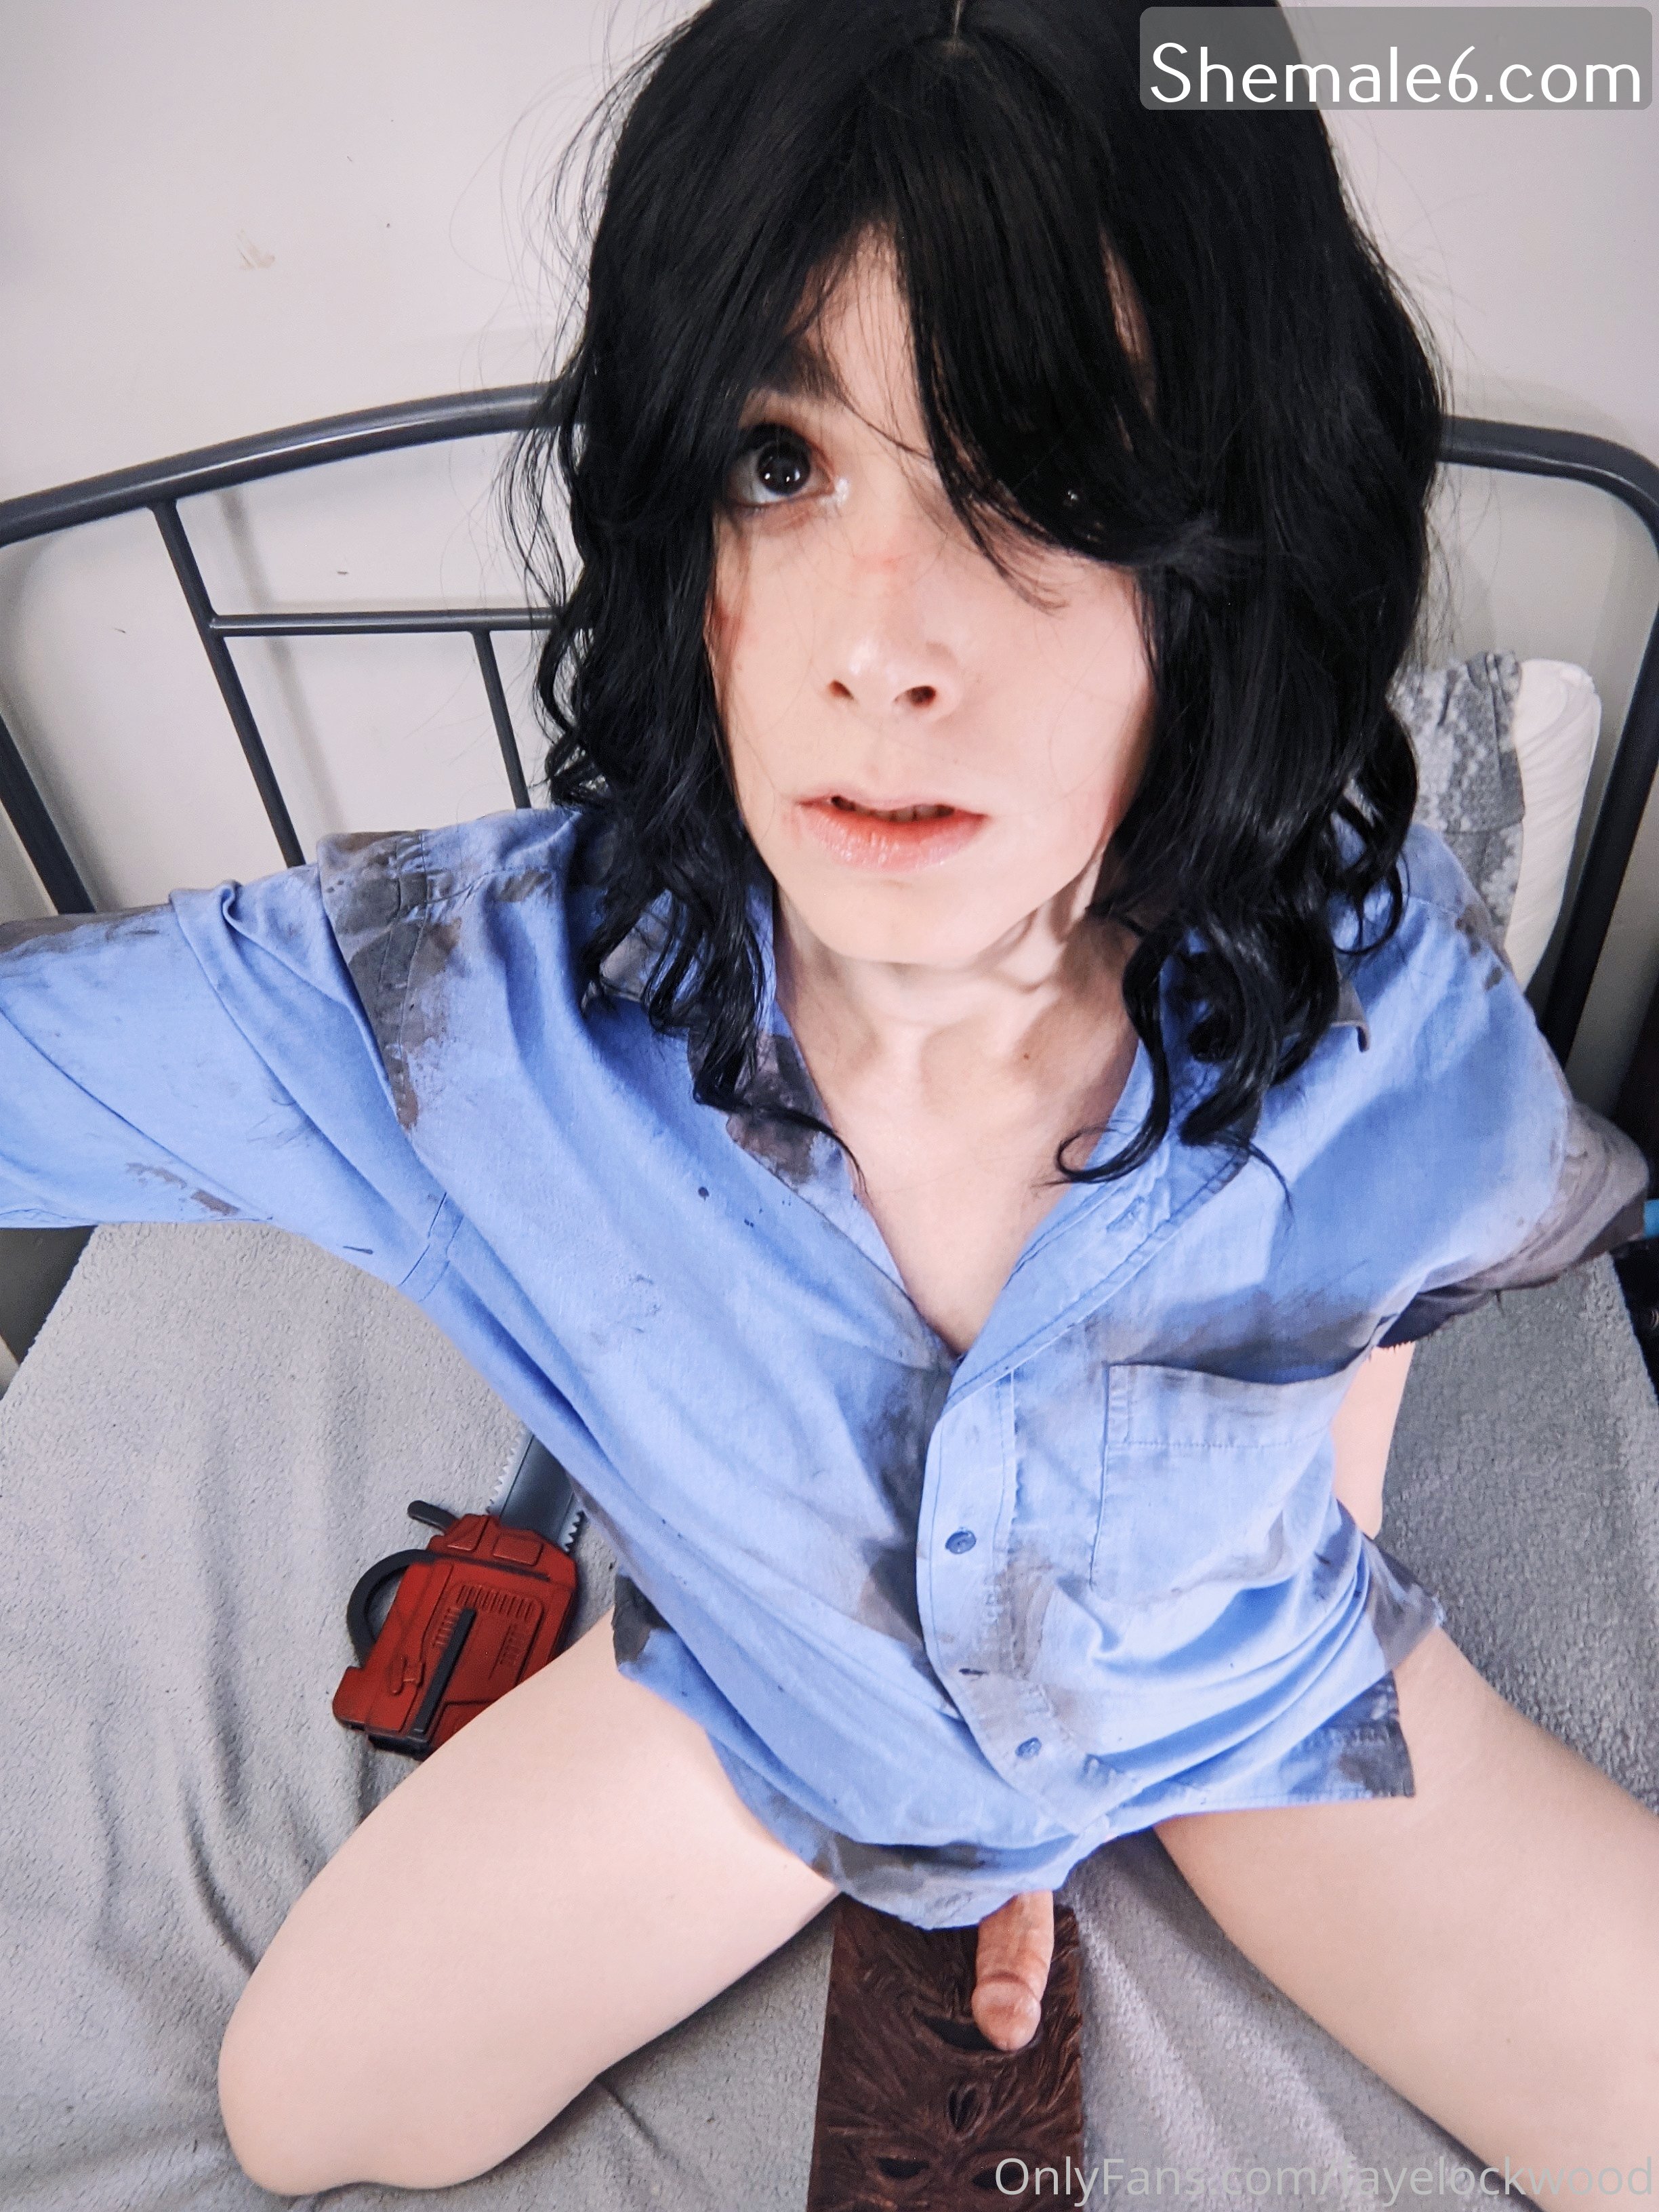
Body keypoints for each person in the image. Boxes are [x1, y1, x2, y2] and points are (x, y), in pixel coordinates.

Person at [2, 0, 1655, 2192]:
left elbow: (1373, 1321)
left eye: (1040, 479)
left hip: (1238, 1690)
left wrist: (1089, 1738)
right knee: (299, 2116)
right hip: (779, 1712)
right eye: (781, 464)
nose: (879, 646)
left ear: (1233, 553)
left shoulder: (1379, 986)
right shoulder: (455, 1013)